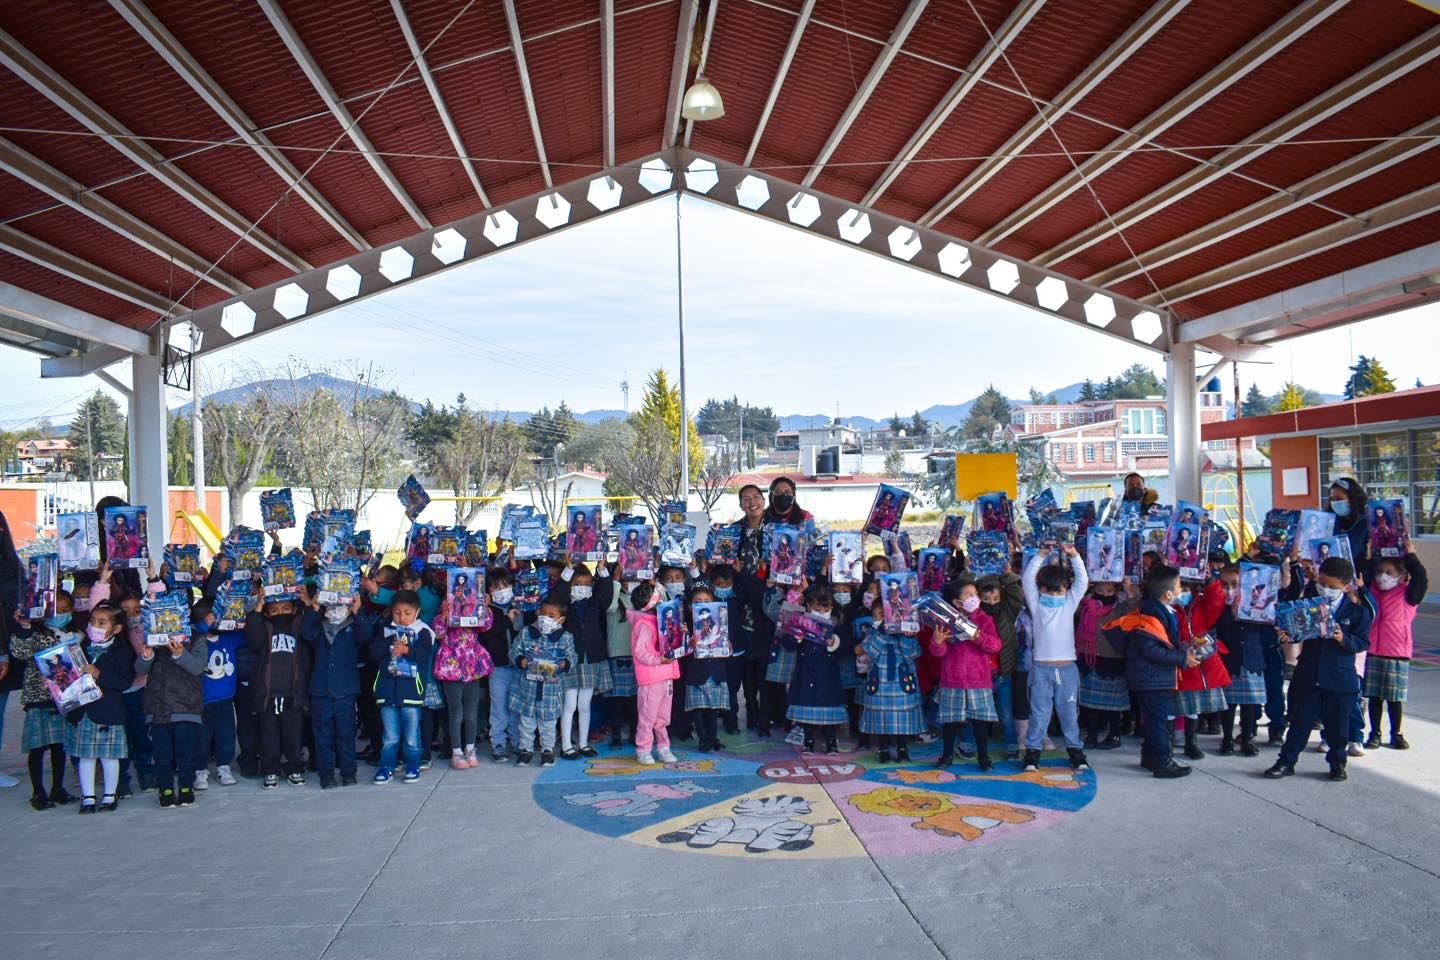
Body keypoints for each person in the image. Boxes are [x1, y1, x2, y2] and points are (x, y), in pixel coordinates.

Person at [1267, 557, 1375, 782]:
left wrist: (1343, 638)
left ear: (1345, 587)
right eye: (1323, 584)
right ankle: (1286, 762)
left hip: (1339, 678)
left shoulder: (1357, 612)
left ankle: (1337, 764)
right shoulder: (1309, 602)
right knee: (1299, 722)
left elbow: (1362, 643)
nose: (1326, 589)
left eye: (1332, 587)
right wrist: (1287, 635)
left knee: (1338, 728)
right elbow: (1295, 629)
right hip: (1309, 674)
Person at [1111, 565, 1202, 778]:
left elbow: (1163, 644)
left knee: (1154, 720)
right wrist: (1182, 658)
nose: (1183, 591)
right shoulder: (1153, 613)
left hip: (1151, 676)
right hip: (1151, 677)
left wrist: (1185, 647)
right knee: (1158, 722)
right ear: (1168, 593)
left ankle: (1149, 757)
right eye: (1180, 586)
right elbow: (1151, 649)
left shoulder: (1160, 610)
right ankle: (1162, 762)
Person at [1020, 544, 1090, 773]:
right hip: (1041, 669)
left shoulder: (1069, 604)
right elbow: (1027, 578)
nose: (1054, 595)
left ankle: (1076, 752)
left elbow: (1082, 582)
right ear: (1040, 589)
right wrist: (1040, 556)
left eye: (1059, 591)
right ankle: (1032, 753)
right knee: (1039, 713)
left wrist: (1075, 556)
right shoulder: (1037, 604)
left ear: (1066, 590)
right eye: (1049, 591)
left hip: (1067, 669)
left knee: (1069, 713)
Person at [136, 594, 210, 808]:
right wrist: (147, 656)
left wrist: (180, 654)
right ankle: (165, 789)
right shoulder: (152, 639)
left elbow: (197, 667)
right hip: (158, 710)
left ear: (186, 613)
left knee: (187, 753)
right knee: (162, 755)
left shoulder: (196, 639)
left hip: (186, 709)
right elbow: (140, 670)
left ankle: (186, 787)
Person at [9, 593, 80, 808]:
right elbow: (20, 652)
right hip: (39, 697)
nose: (61, 613)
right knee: (37, 747)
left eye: (66, 609)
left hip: (63, 697)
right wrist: (24, 627)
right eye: (57, 609)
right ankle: (38, 792)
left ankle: (57, 788)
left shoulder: (72, 634)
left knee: (59, 746)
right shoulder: (35, 632)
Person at [65, 600, 132, 812]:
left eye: (102, 623)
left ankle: (110, 796)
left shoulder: (122, 652)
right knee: (86, 756)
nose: (95, 626)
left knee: (109, 756)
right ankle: (88, 797)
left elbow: (124, 682)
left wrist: (99, 674)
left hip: (109, 711)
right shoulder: (80, 649)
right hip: (83, 711)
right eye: (93, 621)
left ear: (117, 628)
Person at [931, 580, 1002, 770]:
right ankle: (946, 755)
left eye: (975, 594)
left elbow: (995, 645)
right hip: (952, 680)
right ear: (956, 602)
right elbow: (938, 653)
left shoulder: (984, 619)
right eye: (969, 595)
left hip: (979, 680)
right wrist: (937, 642)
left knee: (979, 722)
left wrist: (977, 636)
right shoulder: (946, 621)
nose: (974, 598)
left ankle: (984, 757)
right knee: (951, 722)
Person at [300, 591, 367, 788]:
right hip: (321, 691)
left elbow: (366, 636)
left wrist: (357, 611)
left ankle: (348, 772)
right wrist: (314, 608)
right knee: (322, 735)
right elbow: (305, 632)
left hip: (345, 690)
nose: (336, 611)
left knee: (346, 735)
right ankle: (326, 773)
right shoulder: (318, 627)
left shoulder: (353, 626)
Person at [1363, 548, 1427, 750]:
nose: (1383, 576)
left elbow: (1421, 577)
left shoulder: (1408, 594)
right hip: (1373, 650)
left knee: (1394, 698)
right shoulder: (1371, 591)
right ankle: (1375, 732)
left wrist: (1410, 555)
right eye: (1380, 571)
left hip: (1397, 652)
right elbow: (1365, 570)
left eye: (1389, 572)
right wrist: (1373, 554)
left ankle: (1396, 733)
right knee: (1374, 696)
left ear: (1401, 575)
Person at [369, 589, 433, 783]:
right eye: (397, 613)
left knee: (412, 735)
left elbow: (424, 655)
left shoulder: (423, 631)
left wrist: (407, 649)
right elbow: (373, 653)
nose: (402, 617)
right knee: (390, 736)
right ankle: (387, 765)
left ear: (417, 612)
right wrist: (390, 641)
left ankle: (413, 764)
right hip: (387, 692)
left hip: (411, 691)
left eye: (407, 613)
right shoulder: (385, 630)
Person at [508, 596, 575, 768]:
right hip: (528, 688)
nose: (546, 618)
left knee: (548, 723)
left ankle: (547, 750)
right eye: (543, 614)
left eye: (551, 615)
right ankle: (526, 750)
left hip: (550, 690)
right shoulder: (526, 632)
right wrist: (519, 659)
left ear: (561, 619)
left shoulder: (565, 637)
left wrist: (565, 663)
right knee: (526, 722)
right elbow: (514, 650)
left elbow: (572, 656)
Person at [780, 584, 846, 755]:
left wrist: (835, 642)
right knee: (806, 707)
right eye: (817, 609)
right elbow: (786, 643)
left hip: (828, 674)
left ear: (831, 607)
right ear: (809, 606)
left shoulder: (837, 623)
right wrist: (796, 638)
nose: (821, 612)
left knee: (830, 708)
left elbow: (847, 647)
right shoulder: (801, 621)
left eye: (826, 609)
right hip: (806, 671)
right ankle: (808, 740)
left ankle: (831, 741)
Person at [858, 592, 923, 762]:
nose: (878, 618)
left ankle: (902, 749)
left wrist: (907, 637)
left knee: (901, 717)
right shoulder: (871, 632)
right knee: (881, 717)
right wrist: (882, 633)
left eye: (882, 615)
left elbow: (913, 654)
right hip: (879, 682)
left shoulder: (906, 631)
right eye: (875, 616)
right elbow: (870, 651)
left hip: (901, 682)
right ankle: (884, 749)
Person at [1214, 565, 1269, 757]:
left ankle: (1246, 738)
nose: (1230, 588)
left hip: (1252, 659)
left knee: (1250, 705)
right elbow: (1218, 629)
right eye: (1225, 584)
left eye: (1235, 584)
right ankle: (1227, 739)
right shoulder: (1219, 605)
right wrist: (1231, 612)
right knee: (1228, 704)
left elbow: (1266, 624)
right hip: (1229, 660)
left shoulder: (1257, 603)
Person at [559, 564, 612, 760]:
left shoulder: (595, 604)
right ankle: (566, 745)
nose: (583, 587)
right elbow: (558, 593)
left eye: (587, 584)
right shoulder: (564, 604)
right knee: (569, 705)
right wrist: (567, 571)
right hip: (571, 661)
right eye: (577, 583)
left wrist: (602, 570)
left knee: (584, 705)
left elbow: (606, 593)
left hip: (591, 659)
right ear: (570, 585)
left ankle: (583, 743)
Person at [977, 566, 1025, 758]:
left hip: (1002, 673)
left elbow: (1016, 596)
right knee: (974, 711)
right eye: (986, 599)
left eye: (996, 599)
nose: (991, 603)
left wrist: (1007, 575)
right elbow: (963, 596)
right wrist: (967, 570)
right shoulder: (975, 615)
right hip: (979, 675)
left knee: (1005, 713)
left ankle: (1011, 743)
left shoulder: (1007, 612)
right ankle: (968, 741)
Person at [194, 599, 241, 790]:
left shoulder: (229, 638)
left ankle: (224, 766)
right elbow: (188, 634)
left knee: (226, 735)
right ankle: (200, 769)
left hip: (225, 699)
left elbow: (249, 632)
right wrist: (203, 625)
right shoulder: (195, 640)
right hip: (202, 701)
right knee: (202, 738)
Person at [629, 582, 678, 766]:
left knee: (663, 717)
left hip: (666, 676)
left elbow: (673, 646)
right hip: (651, 678)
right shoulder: (644, 625)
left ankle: (663, 747)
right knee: (648, 717)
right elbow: (640, 652)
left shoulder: (665, 621)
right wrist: (659, 661)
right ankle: (643, 749)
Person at [1076, 580, 1127, 751]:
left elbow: (1135, 604)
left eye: (1109, 590)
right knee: (1089, 702)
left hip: (1112, 658)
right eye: (1100, 589)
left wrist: (1128, 588)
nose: (1104, 594)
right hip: (1088, 657)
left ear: (1116, 591)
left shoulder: (1121, 607)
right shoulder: (1084, 605)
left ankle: (1114, 734)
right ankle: (1091, 733)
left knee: (1113, 704)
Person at [478, 568, 521, 762]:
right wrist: (507, 620)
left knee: (516, 708)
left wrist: (517, 617)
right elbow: (488, 632)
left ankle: (518, 741)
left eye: (505, 586)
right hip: (498, 667)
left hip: (520, 668)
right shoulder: (487, 611)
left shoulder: (521, 605)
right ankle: (498, 743)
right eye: (496, 587)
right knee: (498, 708)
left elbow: (524, 629)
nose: (501, 590)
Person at [683, 582, 730, 753]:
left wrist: (727, 645)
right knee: (697, 708)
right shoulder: (686, 624)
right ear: (690, 606)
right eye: (698, 601)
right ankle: (703, 739)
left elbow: (727, 648)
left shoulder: (720, 621)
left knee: (712, 708)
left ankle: (713, 737)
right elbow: (680, 649)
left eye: (706, 600)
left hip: (716, 670)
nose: (702, 603)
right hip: (696, 672)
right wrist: (690, 643)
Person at [1329, 478, 1371, 571]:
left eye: (1339, 499)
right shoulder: (1330, 521)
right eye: (1332, 499)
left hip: (1361, 576)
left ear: (1353, 498)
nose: (1335, 503)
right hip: (1334, 576)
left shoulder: (1367, 523)